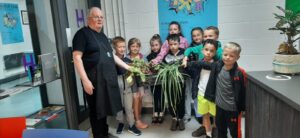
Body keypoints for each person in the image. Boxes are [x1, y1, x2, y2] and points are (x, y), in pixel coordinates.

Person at [72, 7, 131, 138]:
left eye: (101, 17)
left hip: (106, 79)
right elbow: (76, 58)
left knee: (104, 109)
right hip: (93, 80)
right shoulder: (82, 34)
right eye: (96, 16)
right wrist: (85, 80)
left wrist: (128, 67)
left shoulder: (103, 36)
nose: (99, 19)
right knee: (96, 110)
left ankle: (104, 133)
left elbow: (112, 56)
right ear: (89, 19)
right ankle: (98, 135)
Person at [186, 42, 246, 138]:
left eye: (231, 56)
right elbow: (202, 63)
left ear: (237, 57)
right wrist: (187, 62)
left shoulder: (239, 73)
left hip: (233, 109)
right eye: (225, 55)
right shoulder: (218, 66)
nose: (227, 57)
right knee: (221, 130)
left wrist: (242, 108)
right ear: (222, 54)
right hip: (219, 107)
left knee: (235, 131)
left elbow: (242, 92)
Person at [185, 39, 219, 138]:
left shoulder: (217, 64)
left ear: (215, 52)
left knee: (215, 115)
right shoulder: (199, 64)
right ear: (202, 50)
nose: (208, 52)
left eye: (211, 51)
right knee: (205, 115)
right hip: (201, 94)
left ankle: (215, 130)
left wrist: (193, 63)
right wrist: (185, 62)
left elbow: (208, 66)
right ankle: (208, 133)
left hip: (212, 95)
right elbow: (194, 75)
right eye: (206, 49)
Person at [112, 37, 142, 136]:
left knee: (129, 106)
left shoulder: (127, 60)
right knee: (118, 107)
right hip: (116, 87)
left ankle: (131, 125)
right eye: (119, 47)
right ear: (114, 47)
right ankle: (120, 123)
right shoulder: (112, 60)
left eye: (124, 47)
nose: (122, 49)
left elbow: (132, 74)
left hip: (127, 87)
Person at [163, 34, 186, 131]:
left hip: (181, 82)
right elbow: (163, 67)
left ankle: (180, 118)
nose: (173, 46)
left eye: (175, 44)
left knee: (181, 100)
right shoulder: (166, 55)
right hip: (170, 83)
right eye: (171, 44)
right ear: (168, 44)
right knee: (171, 100)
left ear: (179, 43)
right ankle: (174, 118)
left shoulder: (184, 54)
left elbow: (187, 66)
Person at [125, 38, 149, 129]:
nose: (135, 48)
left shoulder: (143, 57)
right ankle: (137, 121)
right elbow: (125, 71)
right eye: (133, 46)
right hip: (132, 81)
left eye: (137, 46)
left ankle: (137, 117)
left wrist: (144, 69)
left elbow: (147, 70)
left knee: (140, 97)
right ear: (129, 47)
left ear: (140, 47)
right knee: (135, 98)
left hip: (141, 81)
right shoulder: (126, 58)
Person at [184, 27, 204, 123]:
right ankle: (198, 115)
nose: (196, 37)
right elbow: (187, 63)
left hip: (204, 76)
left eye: (198, 35)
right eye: (194, 36)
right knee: (195, 95)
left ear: (202, 35)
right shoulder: (190, 49)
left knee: (203, 95)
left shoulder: (207, 46)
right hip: (193, 75)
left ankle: (206, 114)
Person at [146, 34, 164, 124]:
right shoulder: (149, 56)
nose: (154, 47)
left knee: (161, 96)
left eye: (156, 45)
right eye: (152, 45)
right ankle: (155, 112)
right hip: (153, 81)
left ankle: (161, 112)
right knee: (154, 96)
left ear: (160, 45)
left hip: (162, 80)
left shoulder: (163, 55)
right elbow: (148, 68)